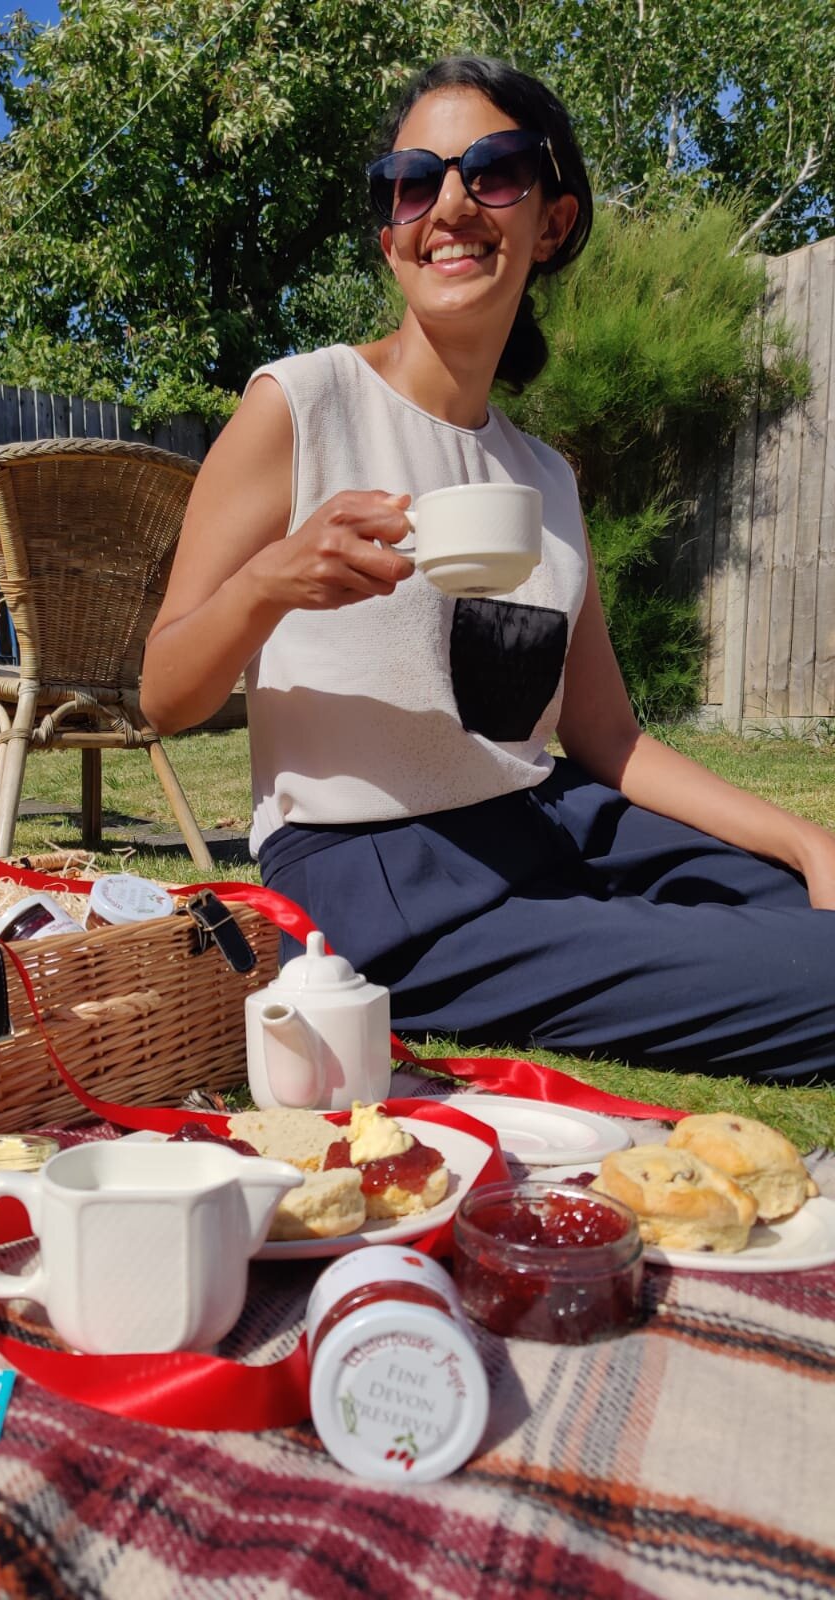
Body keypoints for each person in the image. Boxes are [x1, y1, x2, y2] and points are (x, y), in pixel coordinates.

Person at [140, 55, 835, 1083]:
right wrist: (271, 582)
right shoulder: (302, 404)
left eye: (495, 170)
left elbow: (607, 735)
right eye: (413, 182)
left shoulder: (543, 473)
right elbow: (163, 692)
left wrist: (808, 843)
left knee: (804, 899)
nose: (450, 205)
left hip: (548, 820)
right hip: (378, 879)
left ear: (552, 220)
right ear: (389, 228)